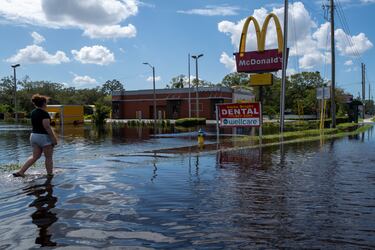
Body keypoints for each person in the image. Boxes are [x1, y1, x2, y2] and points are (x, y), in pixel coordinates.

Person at [13, 94, 58, 177]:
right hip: (43, 137)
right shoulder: (44, 113)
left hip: (33, 136)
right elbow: (47, 127)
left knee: (35, 156)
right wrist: (54, 139)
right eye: (46, 102)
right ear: (44, 103)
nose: (47, 104)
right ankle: (50, 175)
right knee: (48, 157)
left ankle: (21, 171)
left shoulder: (33, 112)